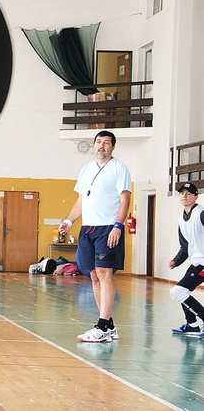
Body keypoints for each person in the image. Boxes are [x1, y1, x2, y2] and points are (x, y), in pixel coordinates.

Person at [58, 130, 131, 343]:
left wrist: (118, 226)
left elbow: (124, 199)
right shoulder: (86, 169)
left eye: (106, 142)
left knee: (104, 272)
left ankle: (101, 325)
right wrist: (69, 221)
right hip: (88, 229)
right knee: (93, 274)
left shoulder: (119, 168)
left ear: (112, 147)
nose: (102, 145)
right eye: (99, 141)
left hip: (108, 228)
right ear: (94, 145)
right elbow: (81, 201)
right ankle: (108, 325)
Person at [168, 183, 204, 335]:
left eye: (189, 193)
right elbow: (185, 246)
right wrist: (176, 261)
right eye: (182, 192)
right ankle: (192, 324)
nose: (184, 195)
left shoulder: (201, 214)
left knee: (177, 291)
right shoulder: (181, 219)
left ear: (196, 197)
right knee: (182, 291)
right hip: (196, 262)